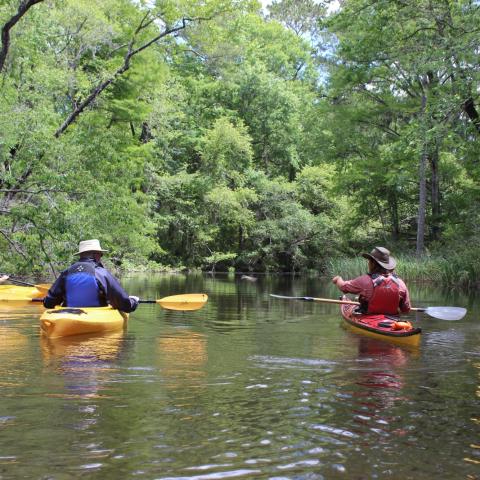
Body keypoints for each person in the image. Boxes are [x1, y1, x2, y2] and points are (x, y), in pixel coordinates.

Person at [43, 239, 139, 312]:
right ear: (95, 255)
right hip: (96, 316)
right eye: (101, 255)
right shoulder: (101, 273)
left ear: (81, 255)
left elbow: (49, 303)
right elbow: (124, 304)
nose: (101, 257)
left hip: (67, 316)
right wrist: (133, 302)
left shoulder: (66, 273)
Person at [332, 246, 411, 316]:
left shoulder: (365, 280)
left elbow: (343, 287)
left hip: (368, 318)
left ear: (373, 263)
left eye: (369, 261)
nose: (368, 263)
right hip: (392, 322)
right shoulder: (400, 283)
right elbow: (406, 310)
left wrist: (338, 279)